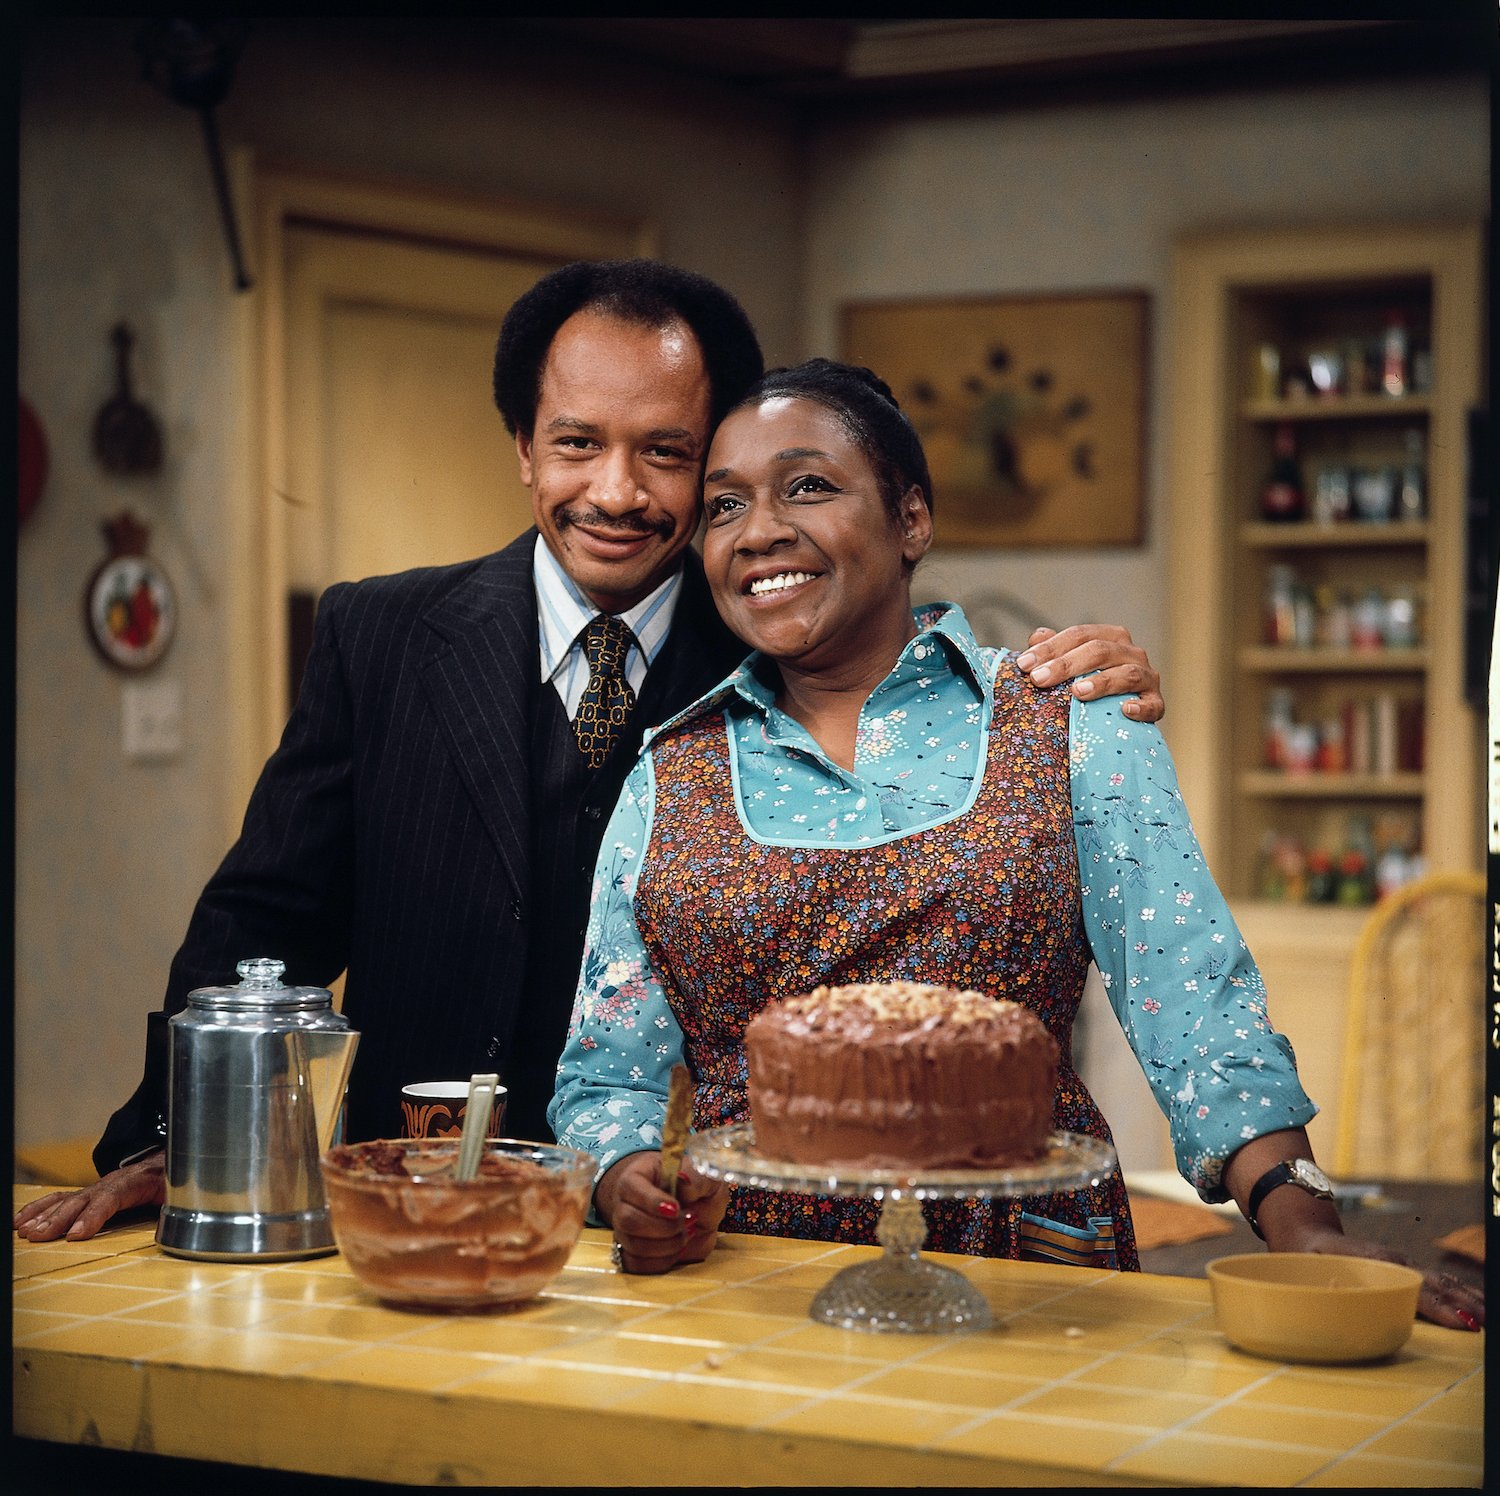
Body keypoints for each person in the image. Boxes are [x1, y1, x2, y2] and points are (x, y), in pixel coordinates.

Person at [15, 262, 1163, 1246]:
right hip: (414, 1205)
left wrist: (1070, 673)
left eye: (665, 452)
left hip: (678, 1230)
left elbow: (922, 683)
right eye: (576, 443)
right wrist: (179, 1133)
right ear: (524, 446)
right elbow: (263, 922)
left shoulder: (787, 648)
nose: (614, 492)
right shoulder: (380, 637)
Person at [549, 358, 1483, 1332]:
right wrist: (633, 1190)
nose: (759, 531)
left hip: (1034, 1275)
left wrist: (1304, 1221)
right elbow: (606, 1070)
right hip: (753, 1285)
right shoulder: (670, 771)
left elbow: (1195, 1009)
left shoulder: (1071, 720)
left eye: (809, 486)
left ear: (912, 518)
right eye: (724, 505)